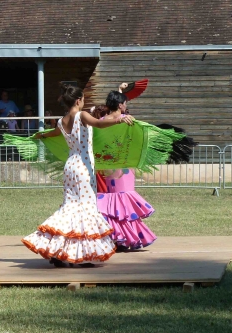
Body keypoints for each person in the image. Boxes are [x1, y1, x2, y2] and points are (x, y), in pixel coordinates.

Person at [23, 84, 134, 267]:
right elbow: (99, 123)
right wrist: (119, 120)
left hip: (70, 166)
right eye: (83, 98)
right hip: (83, 167)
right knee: (85, 208)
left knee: (70, 207)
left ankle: (57, 251)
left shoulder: (61, 121)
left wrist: (41, 136)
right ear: (78, 100)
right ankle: (83, 254)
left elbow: (53, 134)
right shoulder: (82, 115)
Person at [95, 91, 156, 250]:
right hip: (122, 166)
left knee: (114, 202)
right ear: (121, 105)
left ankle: (118, 237)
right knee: (123, 201)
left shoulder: (102, 121)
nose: (126, 106)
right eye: (125, 103)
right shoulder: (126, 120)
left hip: (107, 166)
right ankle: (124, 238)